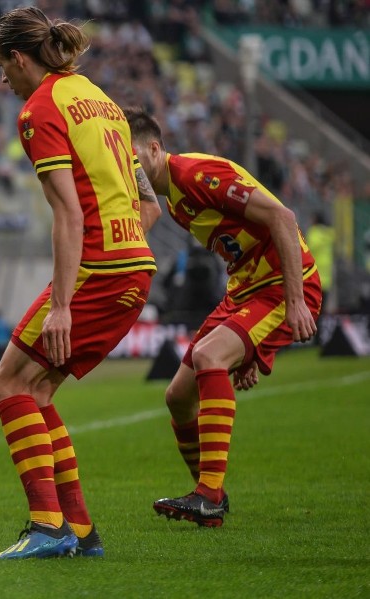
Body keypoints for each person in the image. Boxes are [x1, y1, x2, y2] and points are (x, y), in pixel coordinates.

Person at [0, 7, 160, 560]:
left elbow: (68, 214)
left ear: (19, 57)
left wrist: (61, 304)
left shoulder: (40, 109)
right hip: (132, 266)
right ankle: (80, 532)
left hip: (100, 271)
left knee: (6, 383)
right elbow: (147, 199)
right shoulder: (99, 99)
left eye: (2, 67)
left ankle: (48, 527)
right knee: (36, 390)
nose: (2, 81)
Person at [124, 107, 320, 527]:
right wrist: (247, 351)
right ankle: (209, 498)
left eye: (132, 155)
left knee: (210, 356)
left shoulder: (196, 175)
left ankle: (208, 495)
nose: (128, 167)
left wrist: (297, 298)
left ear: (155, 149)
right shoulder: (172, 198)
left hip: (278, 286)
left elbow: (282, 217)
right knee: (177, 397)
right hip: (244, 289)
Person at [305, 211, 334, 312]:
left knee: (313, 309)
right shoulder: (329, 234)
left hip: (314, 277)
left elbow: (307, 249)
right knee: (323, 310)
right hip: (327, 278)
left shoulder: (313, 233)